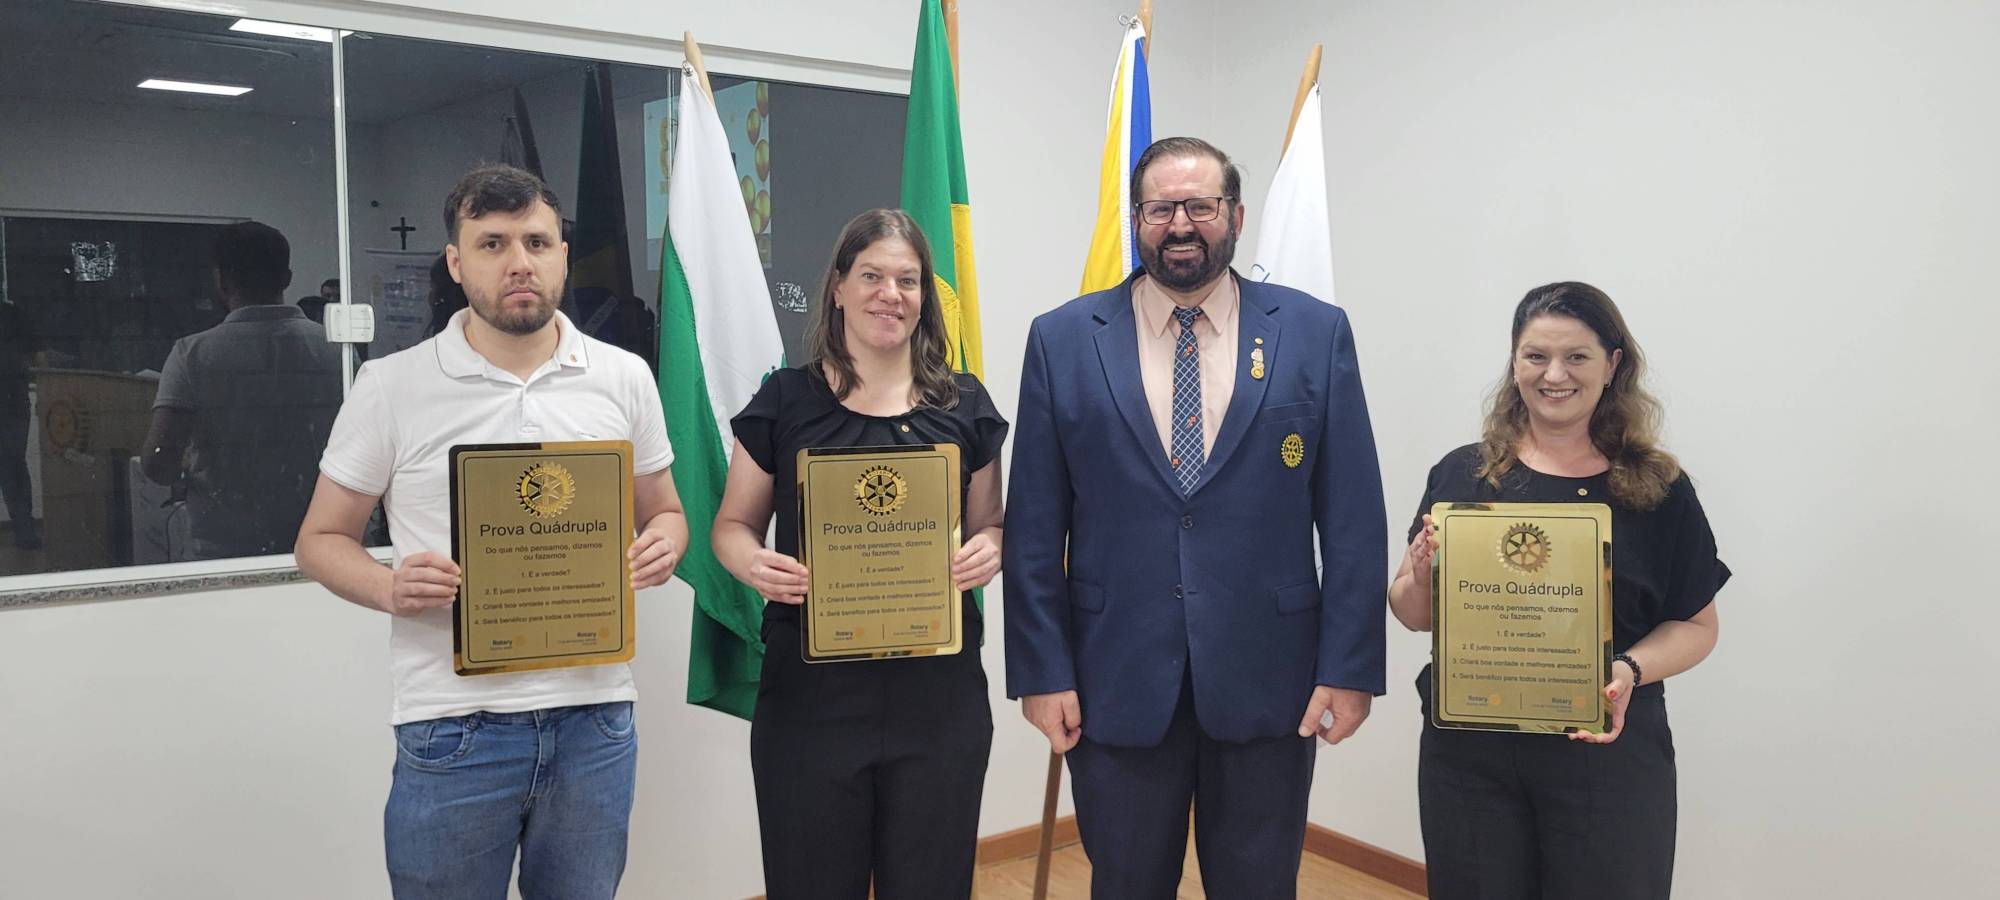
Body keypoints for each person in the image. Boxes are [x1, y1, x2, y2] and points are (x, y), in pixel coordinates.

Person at [1003, 137, 1387, 898]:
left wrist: (1349, 667)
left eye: (1200, 205)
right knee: (1126, 884)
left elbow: (1351, 519)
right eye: (1160, 207)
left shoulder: (1314, 333)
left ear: (1234, 215)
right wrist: (1041, 672)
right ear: (1136, 220)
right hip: (1114, 680)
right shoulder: (1063, 339)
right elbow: (1035, 529)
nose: (1180, 223)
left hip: (1269, 679)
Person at [294, 164, 689, 900]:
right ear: (455, 262)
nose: (519, 262)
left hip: (594, 721)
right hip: (455, 727)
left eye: (537, 242)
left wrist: (667, 541)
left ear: (563, 253)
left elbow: (664, 509)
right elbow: (319, 540)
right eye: (493, 243)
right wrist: (388, 586)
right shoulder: (393, 386)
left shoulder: (624, 377)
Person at [1386, 282, 1729, 900]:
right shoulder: (1464, 473)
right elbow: (1413, 614)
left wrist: (1628, 668)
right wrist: (1420, 571)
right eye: (1535, 355)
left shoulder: (1658, 490)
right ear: (1514, 361)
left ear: (1613, 365)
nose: (1554, 375)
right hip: (1471, 757)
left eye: (1577, 357)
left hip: (1606, 754)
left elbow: (1698, 627)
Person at [712, 209, 1006, 899]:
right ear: (838, 287)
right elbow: (732, 526)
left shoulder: (965, 404)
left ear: (924, 298)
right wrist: (752, 562)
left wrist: (989, 549)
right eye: (872, 275)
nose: (891, 294)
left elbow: (992, 523)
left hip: (938, 700)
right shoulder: (785, 400)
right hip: (812, 701)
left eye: (908, 280)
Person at [142, 221, 342, 559]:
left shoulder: (192, 354)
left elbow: (158, 463)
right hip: (326, 537)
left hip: (226, 542)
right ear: (287, 278)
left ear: (221, 279)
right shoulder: (337, 351)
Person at [0, 298, 42, 549]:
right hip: (14, 395)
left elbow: (36, 353)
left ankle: (24, 530)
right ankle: (24, 530)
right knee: (12, 465)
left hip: (13, 396)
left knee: (12, 464)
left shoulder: (11, 314)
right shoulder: (12, 313)